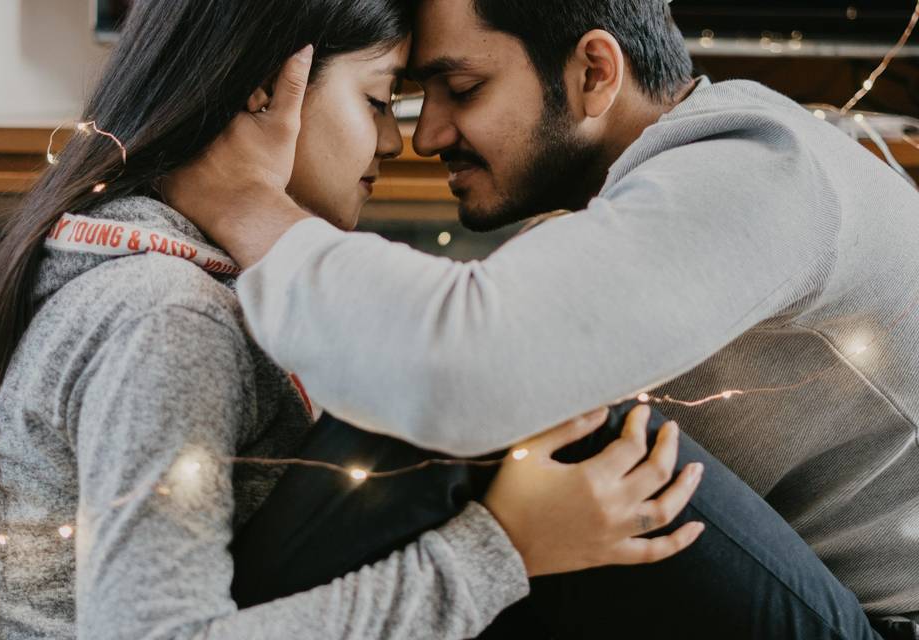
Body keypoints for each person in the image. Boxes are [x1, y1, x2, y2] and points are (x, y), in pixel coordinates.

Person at [165, 0, 919, 637]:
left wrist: (246, 203)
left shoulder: (758, 166)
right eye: (405, 99)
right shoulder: (638, 200)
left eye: (460, 87)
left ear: (593, 73)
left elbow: (461, 369)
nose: (426, 136)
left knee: (493, 401)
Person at [0, 1, 704, 639]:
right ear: (265, 93)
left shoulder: (167, 292)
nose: (395, 141)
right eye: (379, 102)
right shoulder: (168, 313)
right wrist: (505, 548)